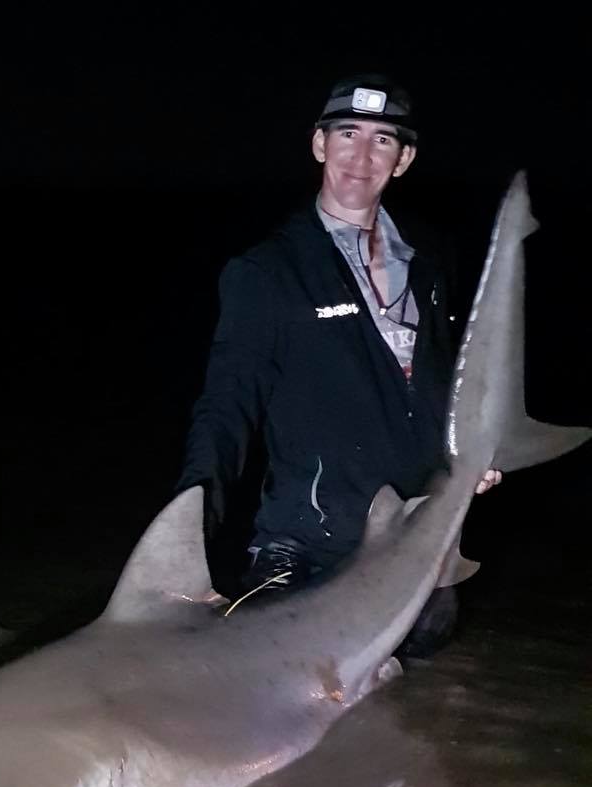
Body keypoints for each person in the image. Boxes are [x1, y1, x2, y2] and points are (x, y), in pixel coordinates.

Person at [177, 73, 500, 658]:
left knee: (413, 688)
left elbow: (438, 383)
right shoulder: (269, 272)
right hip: (304, 549)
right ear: (319, 144)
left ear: (403, 160)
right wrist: (185, 540)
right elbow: (226, 409)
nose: (360, 155)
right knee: (255, 680)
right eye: (347, 133)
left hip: (417, 543)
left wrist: (471, 452)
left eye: (382, 140)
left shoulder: (429, 263)